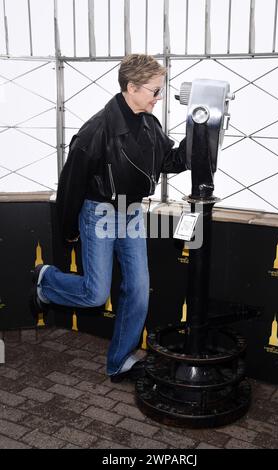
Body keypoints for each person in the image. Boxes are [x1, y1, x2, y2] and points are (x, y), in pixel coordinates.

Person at [30, 54, 187, 382]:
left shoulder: (150, 123)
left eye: (160, 90)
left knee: (139, 290)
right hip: (98, 214)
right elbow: (70, 183)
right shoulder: (96, 130)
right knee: (95, 293)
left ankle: (119, 361)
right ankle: (46, 281)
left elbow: (169, 161)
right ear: (131, 87)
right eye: (154, 91)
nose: (159, 98)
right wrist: (68, 228)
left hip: (132, 215)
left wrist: (200, 136)